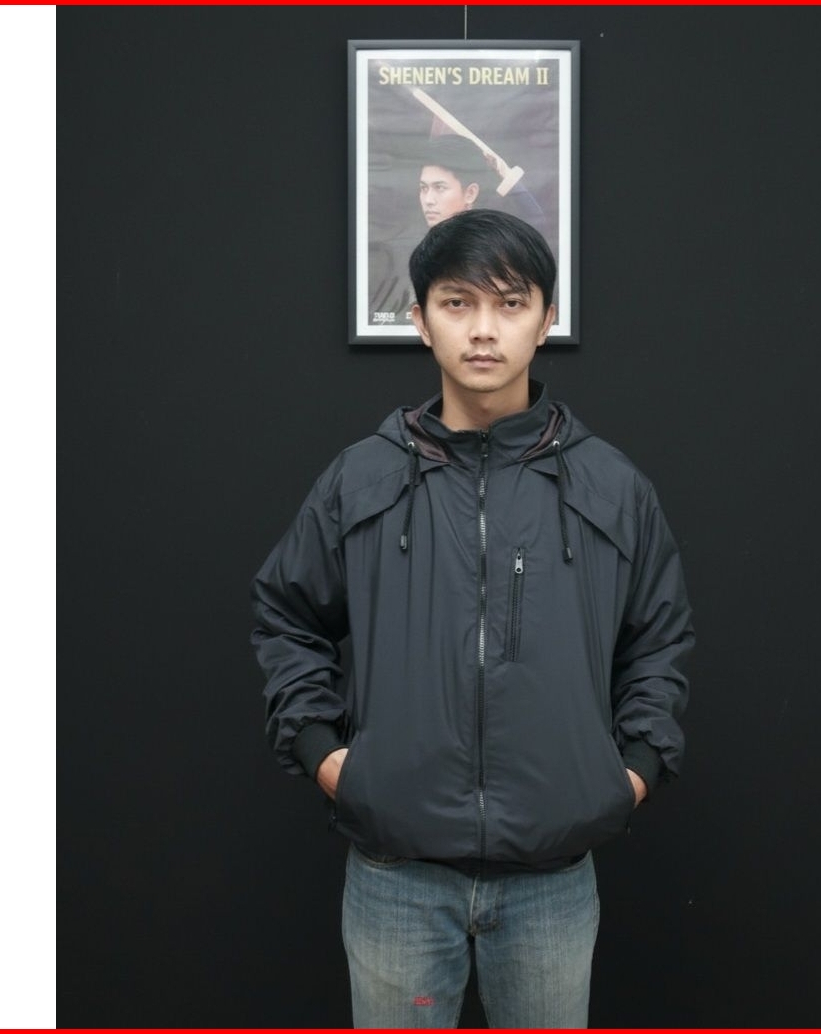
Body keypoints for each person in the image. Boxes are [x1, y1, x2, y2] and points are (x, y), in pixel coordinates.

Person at [252, 209, 694, 1028]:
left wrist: (631, 771)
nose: (484, 330)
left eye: (510, 303)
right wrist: (327, 755)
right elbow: (287, 615)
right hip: (396, 875)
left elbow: (658, 639)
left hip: (553, 878)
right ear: (421, 320)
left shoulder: (611, 487)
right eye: (458, 303)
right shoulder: (361, 480)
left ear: (546, 319)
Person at [368, 136, 548, 325]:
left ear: (470, 193)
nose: (428, 200)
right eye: (423, 188)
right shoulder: (409, 250)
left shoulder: (495, 245)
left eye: (439, 188)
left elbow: (537, 224)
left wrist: (509, 179)